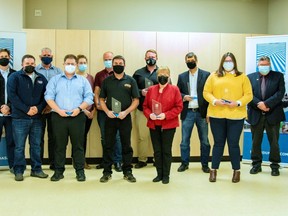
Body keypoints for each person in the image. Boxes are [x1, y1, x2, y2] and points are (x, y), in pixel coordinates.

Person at [203, 52, 252, 183]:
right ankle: (213, 170)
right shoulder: (213, 76)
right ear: (222, 62)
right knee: (218, 144)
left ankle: (236, 171)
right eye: (226, 61)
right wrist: (214, 101)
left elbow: (248, 95)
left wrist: (238, 103)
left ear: (234, 62)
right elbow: (206, 92)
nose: (228, 63)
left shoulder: (242, 77)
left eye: (230, 61)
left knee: (233, 144)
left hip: (236, 116)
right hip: (216, 115)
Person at [45, 54, 94, 182]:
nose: (70, 66)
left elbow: (89, 97)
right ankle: (58, 171)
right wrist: (58, 110)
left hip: (77, 117)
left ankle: (80, 171)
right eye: (68, 63)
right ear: (63, 64)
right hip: (58, 116)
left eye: (73, 64)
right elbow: (48, 97)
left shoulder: (83, 81)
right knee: (59, 145)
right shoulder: (55, 80)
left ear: (76, 65)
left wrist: (78, 109)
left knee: (78, 145)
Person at [7, 54, 49, 181]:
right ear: (22, 64)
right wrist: (26, 109)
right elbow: (12, 96)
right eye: (27, 63)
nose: (30, 66)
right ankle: (18, 170)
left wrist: (38, 108)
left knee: (36, 145)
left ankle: (36, 169)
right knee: (19, 146)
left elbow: (46, 96)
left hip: (37, 118)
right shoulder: (14, 77)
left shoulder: (41, 78)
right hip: (20, 118)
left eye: (32, 63)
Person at [99, 55, 139, 183]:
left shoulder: (131, 81)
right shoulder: (107, 81)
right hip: (110, 117)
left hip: (125, 117)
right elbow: (101, 100)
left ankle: (127, 172)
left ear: (124, 65)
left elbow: (136, 100)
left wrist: (126, 112)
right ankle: (106, 172)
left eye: (120, 63)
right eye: (115, 63)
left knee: (126, 145)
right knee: (108, 145)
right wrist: (107, 111)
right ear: (112, 64)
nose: (118, 65)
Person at [143, 66, 182, 184]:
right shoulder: (151, 90)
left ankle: (166, 175)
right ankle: (159, 174)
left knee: (166, 150)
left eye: (165, 75)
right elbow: (145, 106)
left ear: (169, 77)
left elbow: (179, 107)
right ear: (157, 76)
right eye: (160, 75)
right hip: (154, 124)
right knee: (157, 151)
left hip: (168, 124)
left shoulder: (175, 89)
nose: (162, 77)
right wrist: (150, 115)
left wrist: (166, 115)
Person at [247, 56, 285, 176]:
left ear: (270, 64)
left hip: (273, 113)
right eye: (262, 64)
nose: (264, 66)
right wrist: (259, 104)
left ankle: (274, 166)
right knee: (255, 142)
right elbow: (248, 94)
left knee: (274, 142)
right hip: (256, 113)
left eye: (266, 64)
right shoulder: (250, 77)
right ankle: (256, 165)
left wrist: (267, 104)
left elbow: (280, 93)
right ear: (258, 65)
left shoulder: (278, 76)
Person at [177, 52, 211, 173]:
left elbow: (210, 93)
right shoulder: (182, 76)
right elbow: (177, 93)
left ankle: (205, 164)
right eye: (188, 60)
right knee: (185, 140)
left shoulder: (206, 75)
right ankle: (184, 163)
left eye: (192, 60)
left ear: (196, 60)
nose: (190, 62)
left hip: (202, 112)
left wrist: (209, 113)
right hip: (188, 112)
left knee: (205, 141)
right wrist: (184, 96)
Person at [94, 51, 123, 172]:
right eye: (105, 59)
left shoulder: (120, 74)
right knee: (104, 137)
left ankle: (117, 161)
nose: (108, 61)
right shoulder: (99, 75)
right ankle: (106, 161)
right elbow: (96, 91)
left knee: (116, 137)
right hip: (103, 111)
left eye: (110, 59)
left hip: (116, 111)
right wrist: (97, 103)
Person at [35, 47, 62, 170]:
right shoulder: (34, 70)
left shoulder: (58, 71)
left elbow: (60, 90)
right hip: (39, 109)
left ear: (52, 56)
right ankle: (38, 164)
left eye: (49, 55)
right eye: (44, 55)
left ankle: (53, 163)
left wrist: (50, 105)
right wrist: (42, 105)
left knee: (54, 137)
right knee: (38, 137)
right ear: (40, 57)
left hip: (53, 109)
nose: (47, 56)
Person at [133, 49, 159, 169]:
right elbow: (132, 91)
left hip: (158, 111)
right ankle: (142, 160)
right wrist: (140, 92)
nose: (151, 58)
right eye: (148, 57)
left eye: (153, 57)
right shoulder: (138, 73)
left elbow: (169, 90)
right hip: (142, 110)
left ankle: (157, 159)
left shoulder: (162, 72)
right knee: (142, 136)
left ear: (157, 58)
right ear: (145, 58)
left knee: (157, 136)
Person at [76, 54, 95, 169]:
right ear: (77, 64)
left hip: (90, 112)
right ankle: (79, 161)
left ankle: (82, 160)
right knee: (78, 137)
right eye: (80, 63)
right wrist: (83, 110)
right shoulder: (74, 77)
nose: (82, 65)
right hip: (79, 112)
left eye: (84, 62)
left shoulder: (91, 78)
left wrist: (93, 111)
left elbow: (93, 95)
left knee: (84, 136)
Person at [0, 48, 16, 173]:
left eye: (6, 56)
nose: (4, 58)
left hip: (11, 114)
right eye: (1, 56)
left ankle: (13, 166)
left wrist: (9, 106)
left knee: (12, 141)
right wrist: (1, 107)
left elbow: (17, 94)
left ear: (10, 58)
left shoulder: (15, 74)